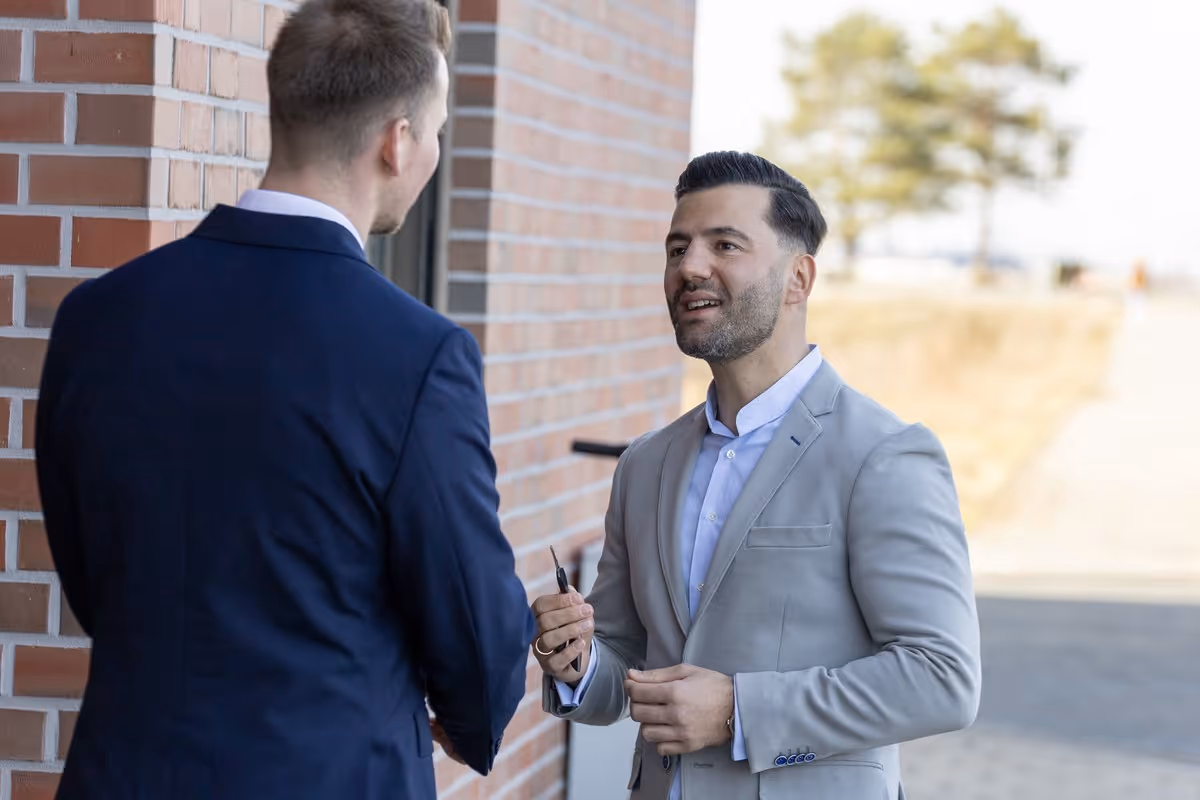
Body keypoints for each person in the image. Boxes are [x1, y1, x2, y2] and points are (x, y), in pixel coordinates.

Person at [35, 1, 534, 797]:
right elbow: (475, 642)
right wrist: (471, 713)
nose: (436, 152)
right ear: (397, 140)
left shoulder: (96, 317)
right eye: (437, 130)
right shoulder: (418, 355)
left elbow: (95, 580)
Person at [531, 152, 981, 800]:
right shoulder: (644, 466)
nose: (689, 267)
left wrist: (738, 712)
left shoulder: (884, 455)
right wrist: (577, 660)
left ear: (798, 278)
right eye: (677, 248)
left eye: (725, 244)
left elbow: (943, 679)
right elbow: (622, 670)